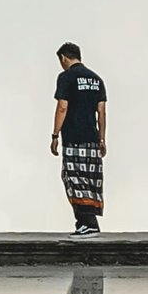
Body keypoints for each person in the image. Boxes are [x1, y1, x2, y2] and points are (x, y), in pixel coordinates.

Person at [49, 42, 107, 237]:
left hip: (74, 137)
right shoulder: (97, 79)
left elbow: (62, 107)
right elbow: (101, 112)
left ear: (64, 58)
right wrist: (102, 139)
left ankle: (86, 223)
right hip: (92, 137)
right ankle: (89, 223)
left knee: (73, 178)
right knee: (90, 180)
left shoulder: (66, 77)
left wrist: (55, 135)